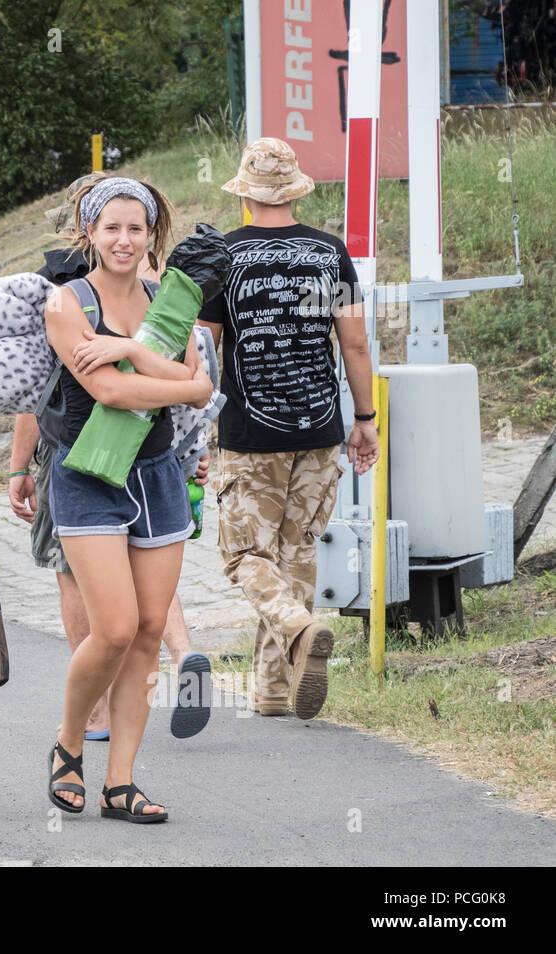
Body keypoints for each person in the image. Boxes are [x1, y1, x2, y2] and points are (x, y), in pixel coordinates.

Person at [10, 176, 213, 742]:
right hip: (95, 459)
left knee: (103, 599)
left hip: (140, 464)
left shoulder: (167, 300)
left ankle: (107, 732)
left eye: (135, 227)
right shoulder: (69, 298)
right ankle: (178, 655)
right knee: (122, 620)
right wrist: (182, 385)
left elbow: (195, 384)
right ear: (89, 229)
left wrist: (127, 350)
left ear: (150, 233)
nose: (124, 238)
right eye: (112, 227)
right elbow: (120, 393)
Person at [198, 137, 379, 720]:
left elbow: (203, 350)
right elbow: (353, 341)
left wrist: (190, 432)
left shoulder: (224, 257)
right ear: (295, 189)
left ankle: (299, 630)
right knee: (297, 552)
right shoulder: (331, 254)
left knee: (245, 555)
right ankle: (274, 692)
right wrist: (366, 419)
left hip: (249, 432)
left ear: (245, 194)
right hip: (321, 425)